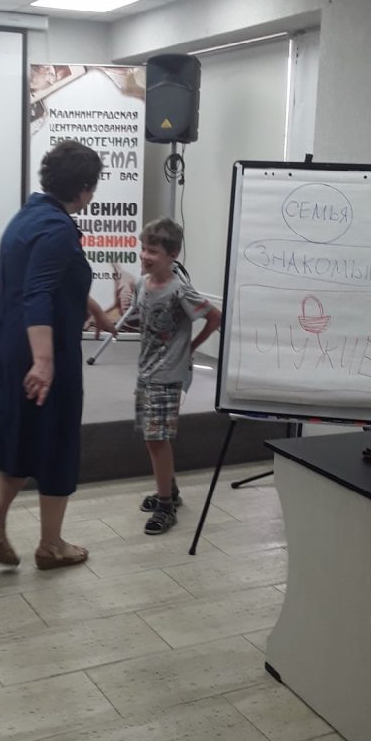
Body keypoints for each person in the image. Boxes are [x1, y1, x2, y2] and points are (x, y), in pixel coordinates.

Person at [0, 140, 115, 570]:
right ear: (85, 189)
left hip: (7, 344)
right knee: (56, 441)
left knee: (23, 435)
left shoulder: (30, 216)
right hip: (44, 349)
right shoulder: (58, 229)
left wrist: (92, 308)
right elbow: (37, 293)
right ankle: (51, 545)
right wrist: (45, 361)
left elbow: (48, 278)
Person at [133, 218, 222, 535]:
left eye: (153, 251)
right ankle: (168, 489)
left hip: (167, 375)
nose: (145, 256)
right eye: (144, 249)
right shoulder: (143, 285)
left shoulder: (179, 290)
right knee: (152, 437)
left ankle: (166, 505)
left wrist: (191, 348)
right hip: (146, 372)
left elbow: (215, 317)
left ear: (173, 255)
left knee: (156, 439)